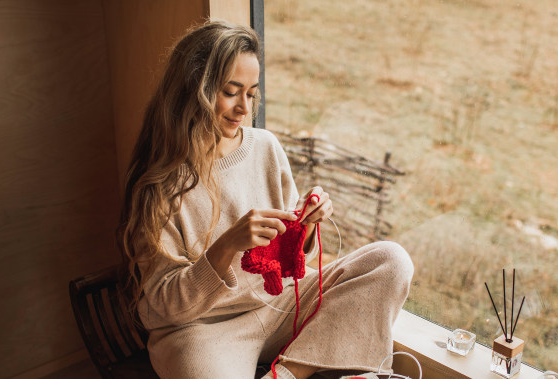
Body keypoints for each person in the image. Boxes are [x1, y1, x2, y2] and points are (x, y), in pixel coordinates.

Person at [117, 20, 414, 379]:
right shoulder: (160, 184)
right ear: (193, 90)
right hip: (204, 330)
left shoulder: (265, 147)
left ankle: (288, 374)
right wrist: (225, 247)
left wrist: (303, 226)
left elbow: (292, 263)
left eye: (252, 93)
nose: (244, 108)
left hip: (280, 305)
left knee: (391, 261)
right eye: (231, 91)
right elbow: (162, 307)